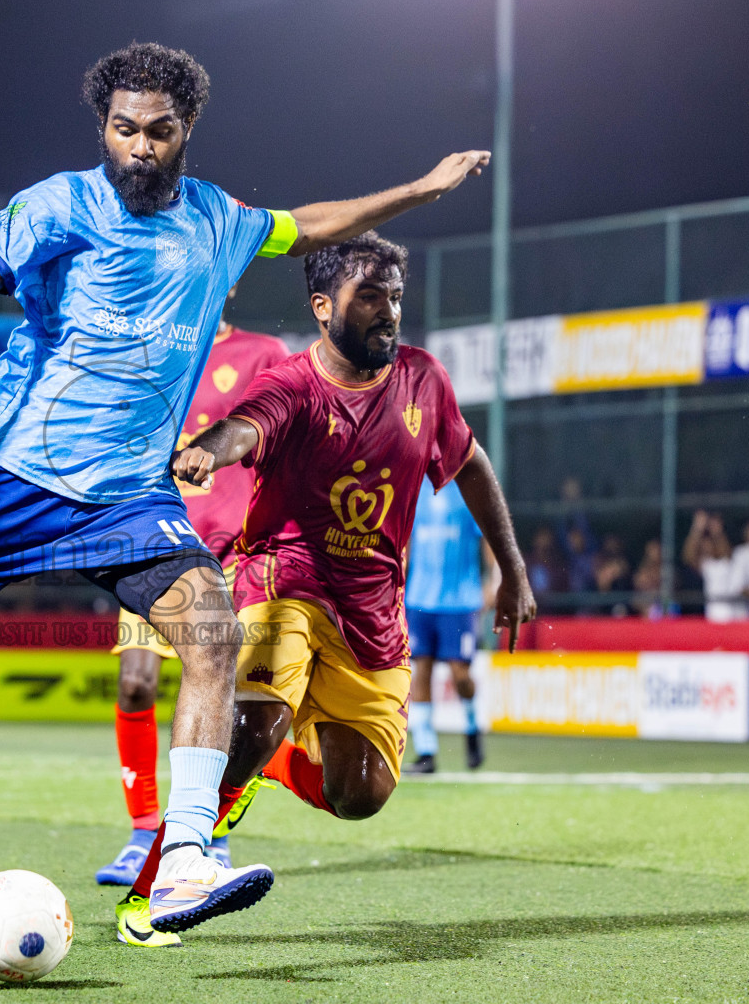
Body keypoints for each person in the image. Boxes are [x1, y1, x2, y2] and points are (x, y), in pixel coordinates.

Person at [0, 42, 491, 945]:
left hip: (130, 497)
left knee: (210, 632)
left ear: (185, 130)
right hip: (22, 478)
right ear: (103, 129)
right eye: (125, 130)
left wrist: (421, 190)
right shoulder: (55, 206)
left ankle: (185, 858)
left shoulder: (219, 220)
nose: (141, 148)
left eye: (160, 132)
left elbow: (313, 224)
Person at [138, 232, 534, 943]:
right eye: (371, 296)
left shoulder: (424, 380)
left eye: (396, 297)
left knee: (360, 795)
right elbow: (244, 430)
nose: (390, 312)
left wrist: (511, 566)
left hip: (374, 617)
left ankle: (277, 758)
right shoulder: (291, 383)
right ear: (323, 307)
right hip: (280, 583)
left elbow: (471, 463)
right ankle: (154, 897)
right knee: (245, 729)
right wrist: (206, 450)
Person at [95, 286, 288, 886]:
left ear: (230, 279)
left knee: (226, 690)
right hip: (156, 542)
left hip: (235, 552)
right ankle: (143, 830)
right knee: (136, 682)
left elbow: (286, 434)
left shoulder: (264, 354)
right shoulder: (147, 353)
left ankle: (210, 833)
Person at [401, 474, 490, 774]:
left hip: (460, 601)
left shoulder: (469, 488)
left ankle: (472, 727)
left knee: (460, 674)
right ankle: (426, 752)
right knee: (420, 671)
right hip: (420, 599)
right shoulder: (415, 489)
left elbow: (488, 536)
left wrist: (494, 581)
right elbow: (406, 539)